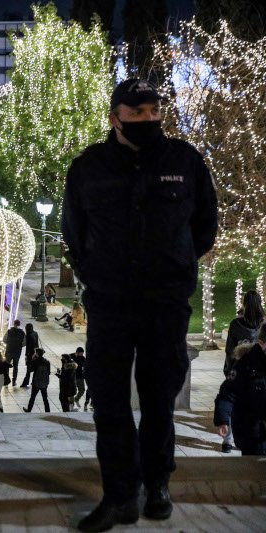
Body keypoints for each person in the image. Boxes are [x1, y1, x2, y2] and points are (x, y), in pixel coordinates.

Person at [62, 78, 218, 531]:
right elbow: (74, 232)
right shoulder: (89, 167)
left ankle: (158, 485)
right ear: (115, 118)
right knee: (108, 402)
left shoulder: (184, 161)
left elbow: (205, 224)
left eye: (153, 112)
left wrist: (179, 267)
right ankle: (119, 496)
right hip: (110, 302)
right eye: (137, 113)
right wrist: (94, 272)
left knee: (159, 401)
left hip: (164, 303)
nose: (148, 120)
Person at [214, 323, 266, 455]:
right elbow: (227, 393)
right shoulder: (246, 364)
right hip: (254, 434)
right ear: (261, 343)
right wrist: (223, 419)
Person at [23, 348, 51, 413]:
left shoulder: (35, 361)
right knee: (45, 398)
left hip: (36, 382)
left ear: (37, 354)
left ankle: (29, 410)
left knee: (33, 397)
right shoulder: (47, 362)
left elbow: (30, 370)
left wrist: (30, 360)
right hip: (44, 382)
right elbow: (49, 372)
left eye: (35, 352)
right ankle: (47, 411)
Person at [3, 320, 25, 386]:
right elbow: (24, 343)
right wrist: (18, 345)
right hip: (17, 351)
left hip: (9, 350)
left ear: (14, 323)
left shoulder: (9, 331)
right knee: (16, 366)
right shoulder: (22, 332)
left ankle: (6, 380)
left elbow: (4, 339)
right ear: (19, 324)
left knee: (7, 365)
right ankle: (14, 381)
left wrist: (9, 343)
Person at [19, 323, 39, 388]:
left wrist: (26, 355)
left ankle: (25, 382)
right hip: (36, 353)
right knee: (35, 369)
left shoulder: (28, 335)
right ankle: (34, 382)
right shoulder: (35, 333)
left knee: (28, 370)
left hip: (30, 354)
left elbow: (28, 347)